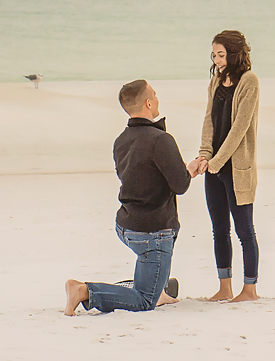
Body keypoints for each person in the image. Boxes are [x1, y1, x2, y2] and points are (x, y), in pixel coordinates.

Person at [64, 79, 186, 316]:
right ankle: (84, 291)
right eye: (155, 95)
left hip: (125, 225)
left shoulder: (121, 140)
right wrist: (188, 170)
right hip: (152, 232)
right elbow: (180, 185)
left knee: (157, 280)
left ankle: (160, 286)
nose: (158, 99)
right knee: (144, 300)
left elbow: (139, 178)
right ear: (149, 103)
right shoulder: (161, 140)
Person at [191, 29, 261, 302]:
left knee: (245, 231)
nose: (217, 59)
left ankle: (250, 290)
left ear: (234, 54)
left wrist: (218, 161)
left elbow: (240, 128)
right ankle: (224, 287)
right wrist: (204, 156)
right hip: (214, 168)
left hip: (237, 169)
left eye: (221, 54)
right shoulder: (217, 80)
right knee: (219, 229)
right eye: (214, 54)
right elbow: (209, 120)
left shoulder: (249, 81)